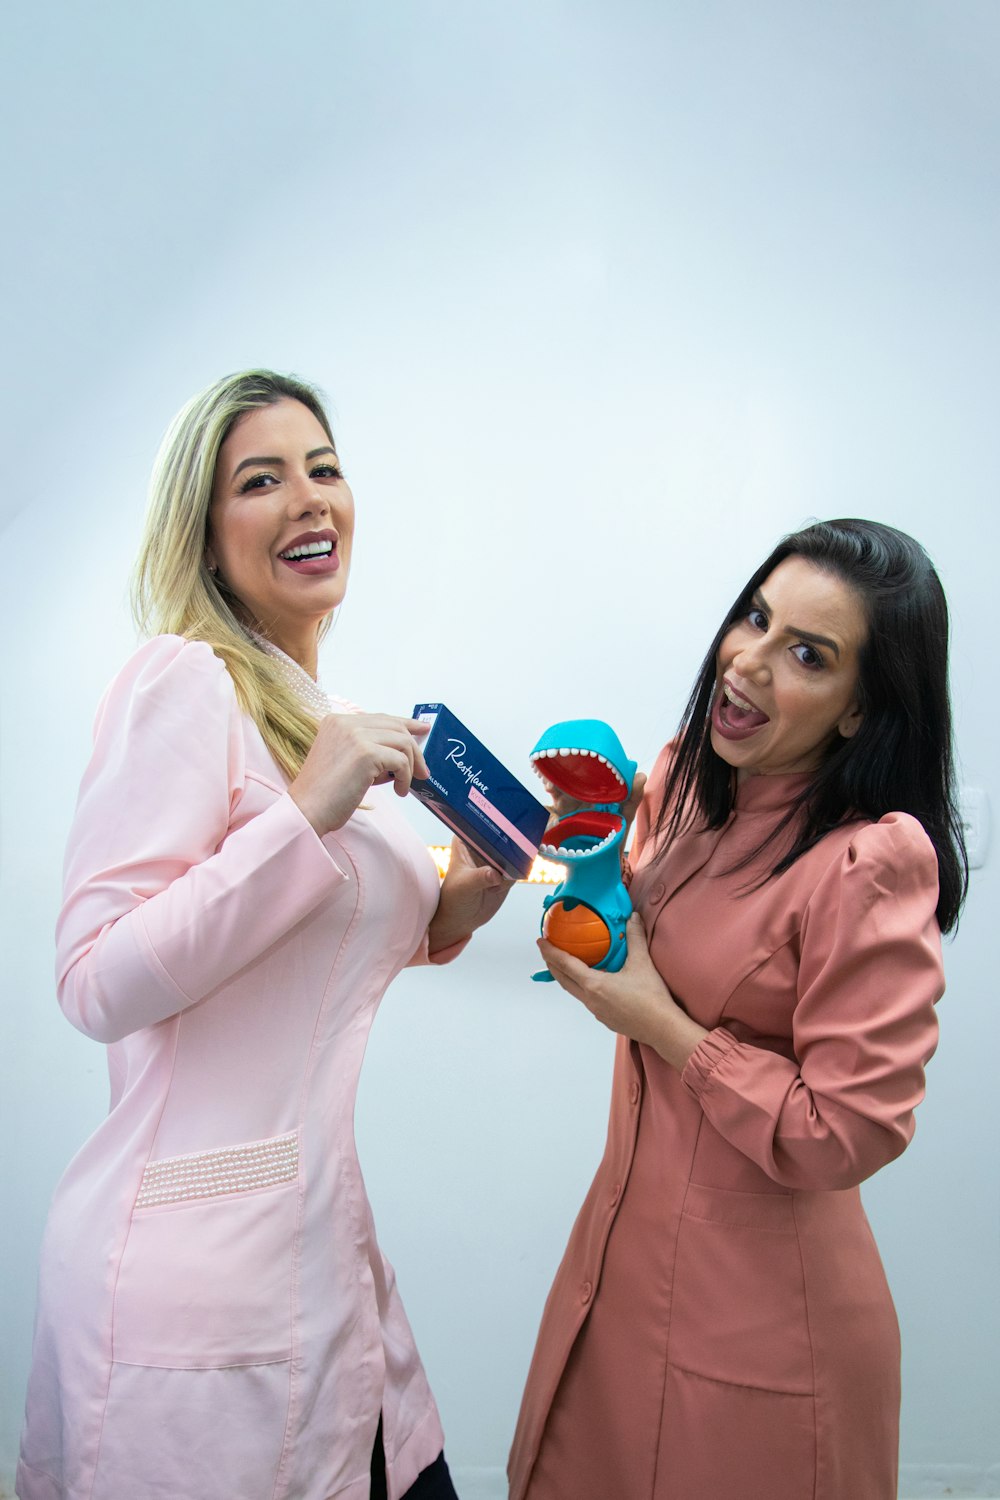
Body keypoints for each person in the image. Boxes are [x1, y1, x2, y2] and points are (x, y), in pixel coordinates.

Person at [17, 369, 512, 1500]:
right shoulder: (182, 680)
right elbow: (95, 979)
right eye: (261, 480)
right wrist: (306, 812)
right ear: (204, 531)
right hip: (195, 1281)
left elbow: (301, 957)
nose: (308, 499)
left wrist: (446, 916)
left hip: (324, 1261)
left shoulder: (310, 713)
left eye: (324, 470)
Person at [508, 519, 967, 1500]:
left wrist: (664, 1027)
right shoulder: (681, 787)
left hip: (762, 1331)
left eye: (807, 654)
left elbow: (847, 1130)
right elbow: (612, 913)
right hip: (619, 1274)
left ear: (857, 710)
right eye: (755, 620)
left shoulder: (869, 863)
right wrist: (558, 856)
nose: (748, 663)